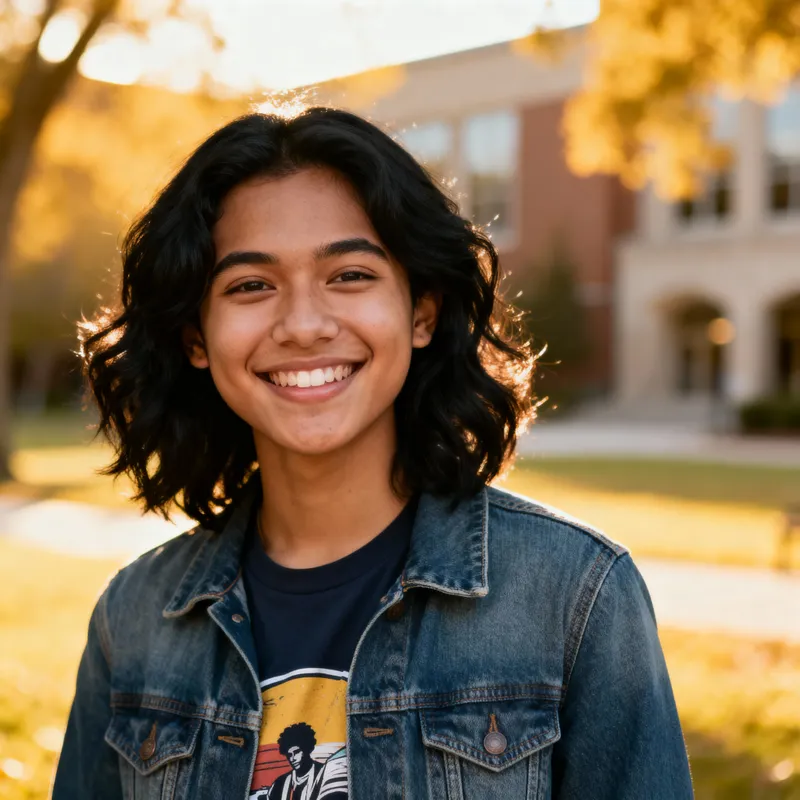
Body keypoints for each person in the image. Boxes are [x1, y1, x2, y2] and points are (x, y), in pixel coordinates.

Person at [52, 107, 694, 799]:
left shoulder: (576, 597)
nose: (303, 325)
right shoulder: (134, 620)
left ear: (421, 312)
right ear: (196, 338)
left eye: (350, 275)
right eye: (250, 286)